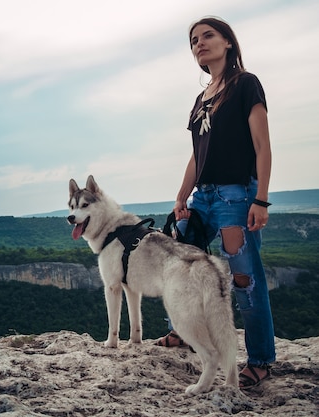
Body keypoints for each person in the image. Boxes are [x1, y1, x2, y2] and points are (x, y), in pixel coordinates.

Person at [155, 16, 276, 389]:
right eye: (194, 40)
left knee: (244, 279)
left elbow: (262, 145)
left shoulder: (245, 85)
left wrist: (261, 199)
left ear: (227, 42)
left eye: (208, 36)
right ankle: (182, 331)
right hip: (203, 196)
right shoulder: (201, 98)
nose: (200, 44)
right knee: (184, 267)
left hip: (237, 195)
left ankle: (259, 360)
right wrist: (181, 196)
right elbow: (197, 155)